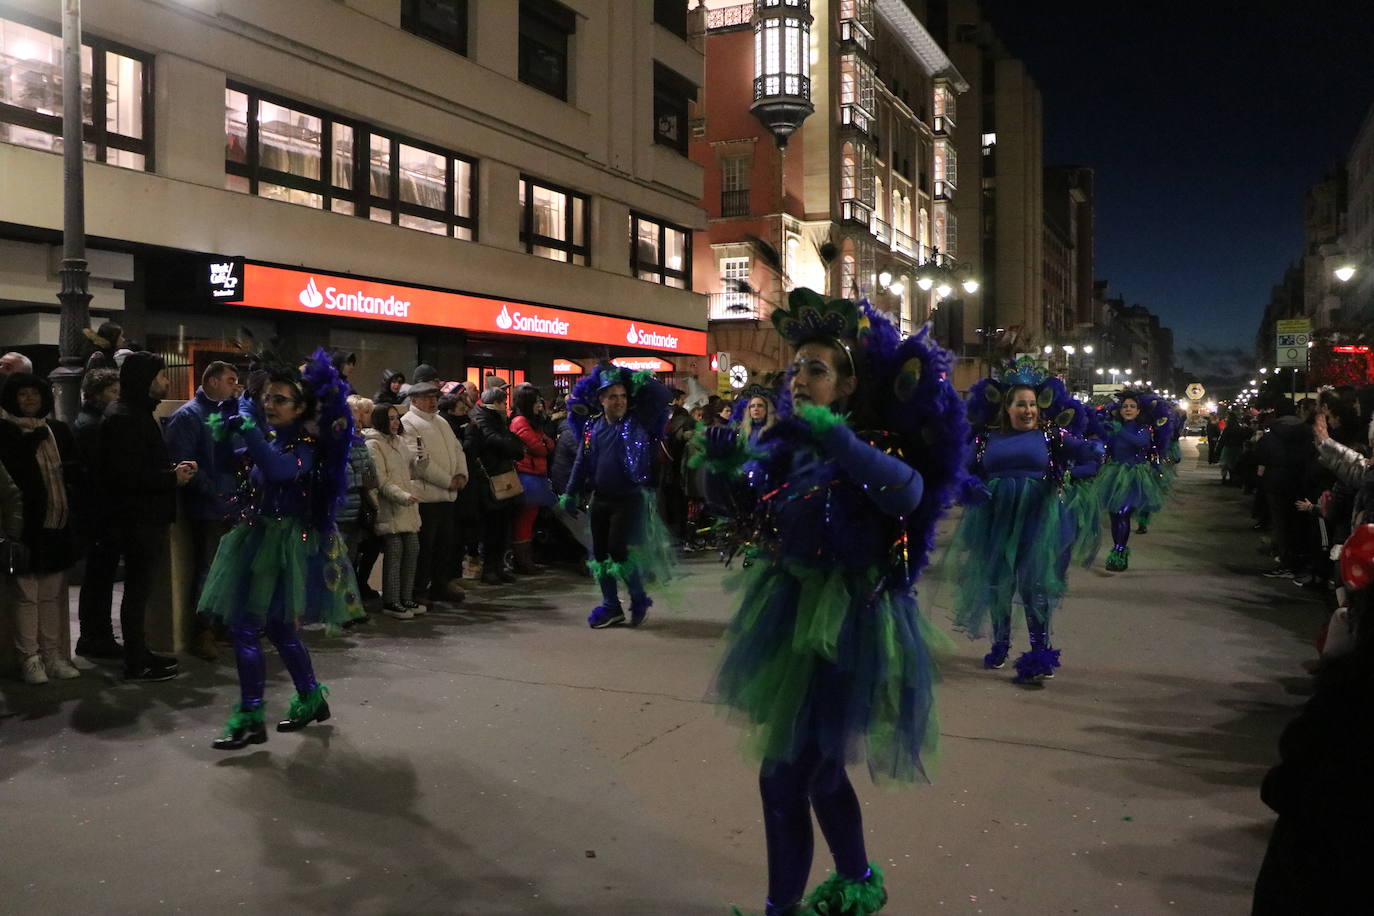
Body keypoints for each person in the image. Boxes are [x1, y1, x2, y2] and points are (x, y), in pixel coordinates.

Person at [701, 290, 968, 916]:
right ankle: (857, 878)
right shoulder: (786, 447)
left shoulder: (877, 444)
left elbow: (908, 495)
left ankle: (782, 909)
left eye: (816, 369)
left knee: (786, 776)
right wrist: (717, 468)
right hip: (789, 615)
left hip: (852, 624)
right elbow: (734, 508)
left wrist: (838, 441)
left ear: (847, 384)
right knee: (818, 774)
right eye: (797, 368)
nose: (800, 379)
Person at [200, 352, 363, 749]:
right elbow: (241, 467)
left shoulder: (307, 445)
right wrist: (226, 437)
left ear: (301, 407)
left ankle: (252, 716)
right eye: (267, 398)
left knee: (245, 628)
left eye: (281, 400)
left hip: (285, 545)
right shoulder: (276, 437)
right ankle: (310, 698)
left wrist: (251, 431)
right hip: (258, 537)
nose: (270, 405)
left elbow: (279, 470)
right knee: (276, 627)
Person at [952, 359, 1097, 679]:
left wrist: (1069, 475)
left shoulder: (1052, 436)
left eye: (1033, 404)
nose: (1028, 410)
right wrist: (969, 485)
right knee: (999, 584)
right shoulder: (985, 439)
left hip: (1039, 519)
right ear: (1007, 407)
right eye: (1021, 404)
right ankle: (1001, 645)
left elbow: (1091, 456)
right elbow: (958, 470)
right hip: (995, 518)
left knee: (1034, 586)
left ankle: (1039, 653)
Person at [95, 352, 197, 681]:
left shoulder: (134, 413)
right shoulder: (124, 417)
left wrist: (170, 471)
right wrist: (171, 478)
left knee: (141, 590)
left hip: (144, 515)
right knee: (137, 591)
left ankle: (139, 652)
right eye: (161, 376)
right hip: (137, 519)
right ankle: (135, 660)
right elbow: (125, 476)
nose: (167, 382)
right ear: (145, 379)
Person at [562, 365, 675, 628]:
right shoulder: (592, 427)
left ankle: (637, 598)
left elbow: (662, 395)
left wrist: (628, 372)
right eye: (612, 396)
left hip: (629, 497)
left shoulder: (638, 422)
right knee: (599, 555)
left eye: (623, 396)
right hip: (601, 498)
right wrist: (569, 492)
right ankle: (611, 606)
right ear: (601, 400)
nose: (619, 401)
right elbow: (581, 462)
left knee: (619, 550)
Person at [0, 374, 82, 684]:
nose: (30, 399)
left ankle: (53, 654)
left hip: (56, 522)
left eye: (35, 393)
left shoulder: (57, 430)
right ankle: (29, 658)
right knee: (26, 595)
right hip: (24, 526)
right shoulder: (6, 432)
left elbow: (75, 469)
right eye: (23, 394)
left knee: (50, 595)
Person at [163, 360, 241, 661]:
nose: (235, 386)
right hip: (208, 505)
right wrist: (215, 492)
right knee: (208, 570)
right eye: (230, 380)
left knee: (228, 569)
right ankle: (202, 631)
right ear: (212, 381)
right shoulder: (188, 416)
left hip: (230, 501)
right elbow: (185, 462)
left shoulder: (227, 412)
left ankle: (223, 625)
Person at [400, 380, 467, 607]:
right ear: (414, 400)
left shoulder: (441, 422)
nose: (432, 401)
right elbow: (418, 462)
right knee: (425, 547)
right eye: (427, 397)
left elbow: (458, 450)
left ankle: (440, 583)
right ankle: (419, 589)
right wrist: (448, 480)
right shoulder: (408, 423)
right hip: (426, 496)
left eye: (434, 397)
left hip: (447, 496)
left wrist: (461, 474)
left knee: (445, 545)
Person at [71, 369, 120, 659]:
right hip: (99, 513)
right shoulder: (94, 426)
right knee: (99, 578)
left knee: (98, 578)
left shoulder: (90, 421)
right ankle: (95, 636)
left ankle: (96, 635)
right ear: (98, 393)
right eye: (113, 392)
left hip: (95, 512)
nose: (117, 397)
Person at [364, 402, 424, 619]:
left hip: (406, 506)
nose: (396, 422)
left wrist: (420, 461)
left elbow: (411, 471)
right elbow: (382, 480)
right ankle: (391, 599)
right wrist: (403, 496)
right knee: (395, 549)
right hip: (389, 506)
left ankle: (406, 596)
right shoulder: (374, 445)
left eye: (396, 417)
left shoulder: (399, 441)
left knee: (413, 547)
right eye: (390, 418)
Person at [1096, 391, 1168, 572]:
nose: (1128, 409)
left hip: (1134, 476)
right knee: (1115, 515)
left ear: (1138, 411)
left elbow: (1139, 442)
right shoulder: (1113, 427)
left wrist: (1119, 430)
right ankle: (1116, 548)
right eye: (1125, 406)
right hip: (1113, 474)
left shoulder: (1143, 429)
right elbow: (1106, 448)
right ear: (1119, 410)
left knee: (1123, 512)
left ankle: (1120, 552)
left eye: (1132, 407)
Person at [465, 386, 525, 585]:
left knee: (502, 527)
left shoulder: (494, 419)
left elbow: (513, 445)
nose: (506, 406)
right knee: (492, 528)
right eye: (504, 401)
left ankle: (497, 567)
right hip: (490, 479)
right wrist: (511, 444)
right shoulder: (485, 419)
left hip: (501, 475)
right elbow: (500, 442)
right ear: (497, 402)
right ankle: (490, 568)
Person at [509, 384, 556, 574]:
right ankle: (523, 562)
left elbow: (549, 445)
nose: (541, 405)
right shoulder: (521, 422)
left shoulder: (533, 423)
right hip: (526, 476)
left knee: (529, 519)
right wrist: (543, 443)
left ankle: (525, 560)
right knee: (524, 520)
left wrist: (544, 442)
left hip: (535, 475)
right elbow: (541, 448)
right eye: (537, 401)